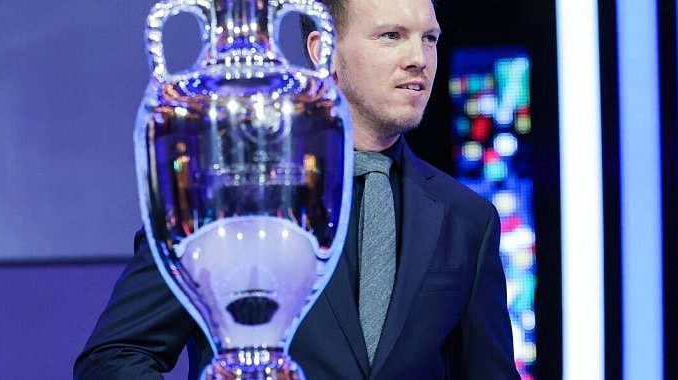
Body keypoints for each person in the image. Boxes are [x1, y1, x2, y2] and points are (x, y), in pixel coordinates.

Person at [74, 0, 520, 378]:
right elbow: (114, 357)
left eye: (429, 38)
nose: (418, 58)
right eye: (391, 36)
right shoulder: (229, 189)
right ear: (322, 50)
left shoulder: (466, 219)